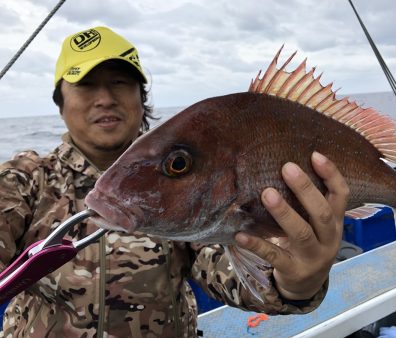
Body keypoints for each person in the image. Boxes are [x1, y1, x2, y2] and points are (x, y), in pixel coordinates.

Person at [0, 26, 349, 337]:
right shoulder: (23, 180)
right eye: (85, 84)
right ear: (61, 103)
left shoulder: (193, 172)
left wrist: (294, 282)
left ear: (141, 97)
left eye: (120, 82)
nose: (104, 97)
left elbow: (228, 267)